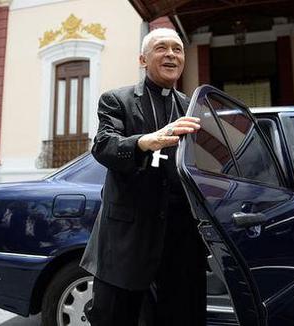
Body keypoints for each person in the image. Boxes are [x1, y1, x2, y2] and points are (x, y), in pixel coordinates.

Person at [80, 28, 206, 326]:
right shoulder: (117, 100)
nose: (171, 54)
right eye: (161, 48)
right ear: (143, 59)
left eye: (177, 49)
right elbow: (103, 146)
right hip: (127, 238)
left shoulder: (191, 107)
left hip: (178, 238)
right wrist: (146, 141)